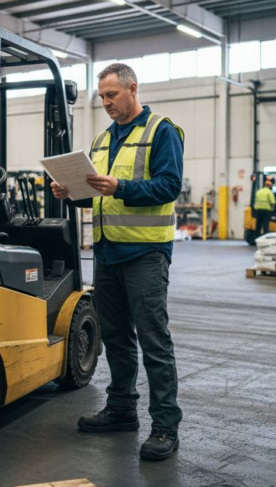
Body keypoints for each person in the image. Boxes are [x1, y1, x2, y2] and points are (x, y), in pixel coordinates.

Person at [50, 62, 184, 462]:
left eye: (112, 95)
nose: (106, 103)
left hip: (145, 253)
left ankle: (165, 426)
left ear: (132, 89)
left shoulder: (161, 131)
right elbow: (98, 194)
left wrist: (120, 186)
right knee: (117, 339)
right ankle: (122, 409)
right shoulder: (103, 140)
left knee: (153, 341)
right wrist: (70, 192)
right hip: (107, 252)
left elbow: (168, 185)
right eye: (102, 97)